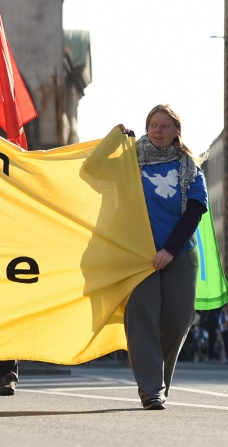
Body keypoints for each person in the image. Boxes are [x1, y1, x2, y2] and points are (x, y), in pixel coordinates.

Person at [119, 104, 208, 410]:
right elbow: (91, 171)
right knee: (141, 316)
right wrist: (113, 143)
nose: (158, 130)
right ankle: (151, 389)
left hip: (179, 252)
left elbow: (195, 209)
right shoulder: (129, 159)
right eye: (153, 125)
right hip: (138, 253)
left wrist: (170, 250)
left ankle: (160, 380)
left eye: (165, 126)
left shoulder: (189, 166)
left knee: (178, 320)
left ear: (175, 132)